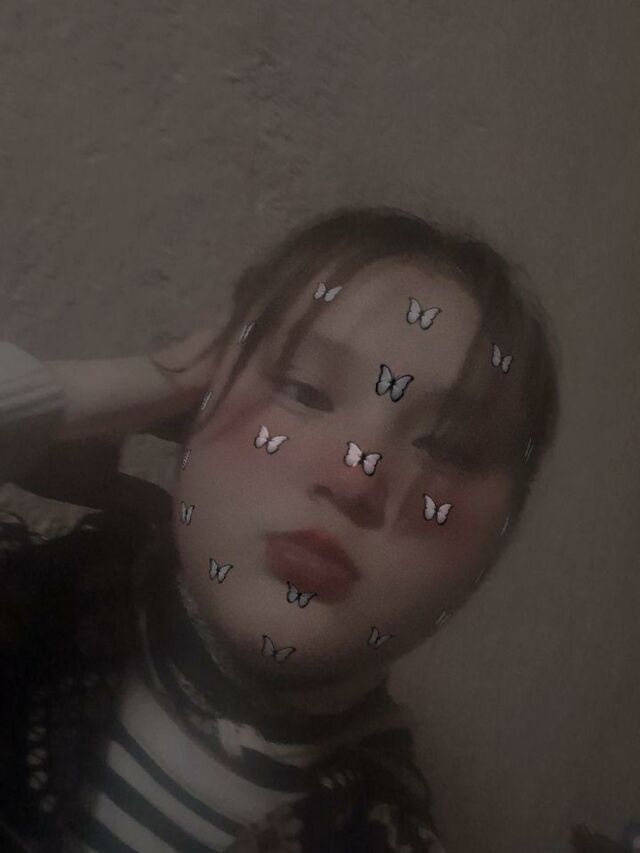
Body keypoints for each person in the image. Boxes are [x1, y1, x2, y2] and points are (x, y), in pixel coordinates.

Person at [0, 206, 560, 852]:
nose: (355, 479)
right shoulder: (32, 604)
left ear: (494, 548)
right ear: (193, 402)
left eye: (447, 449)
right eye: (304, 390)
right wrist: (63, 399)